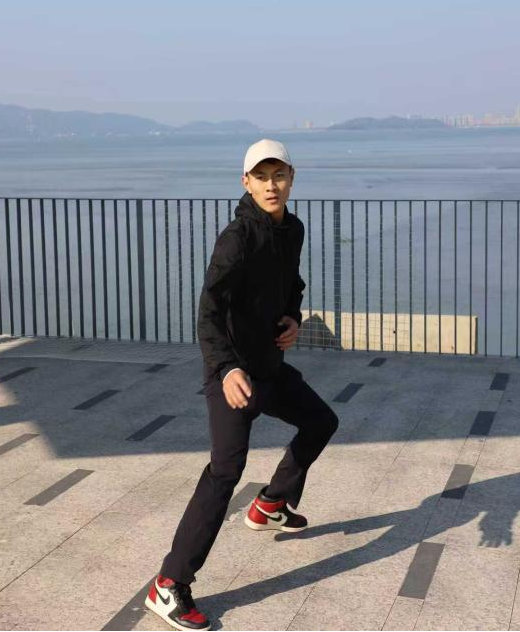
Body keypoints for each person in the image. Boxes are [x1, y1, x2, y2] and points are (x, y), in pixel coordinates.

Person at [145, 139, 339, 631]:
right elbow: (209, 311)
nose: (272, 185)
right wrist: (227, 369)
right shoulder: (237, 238)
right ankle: (168, 584)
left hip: (270, 367)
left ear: (292, 179)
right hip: (233, 374)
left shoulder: (292, 229)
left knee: (321, 421)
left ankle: (271, 503)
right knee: (225, 471)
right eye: (262, 177)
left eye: (279, 175)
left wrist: (293, 317)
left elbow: (292, 285)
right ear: (246, 183)